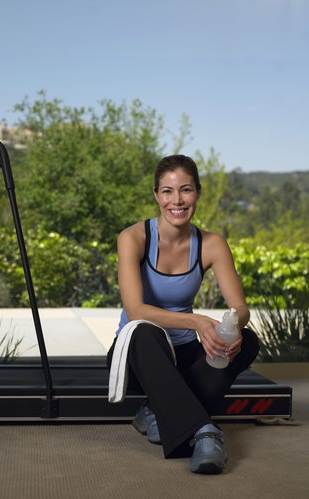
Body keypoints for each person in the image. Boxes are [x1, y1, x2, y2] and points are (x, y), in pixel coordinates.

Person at [107, 154, 260, 474]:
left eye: (186, 190)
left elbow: (240, 308)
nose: (177, 200)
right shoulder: (132, 238)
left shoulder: (212, 243)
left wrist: (232, 328)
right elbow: (135, 310)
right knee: (143, 329)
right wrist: (197, 321)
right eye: (167, 191)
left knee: (247, 341)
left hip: (185, 354)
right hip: (140, 356)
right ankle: (204, 432)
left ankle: (156, 412)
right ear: (156, 195)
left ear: (198, 193)